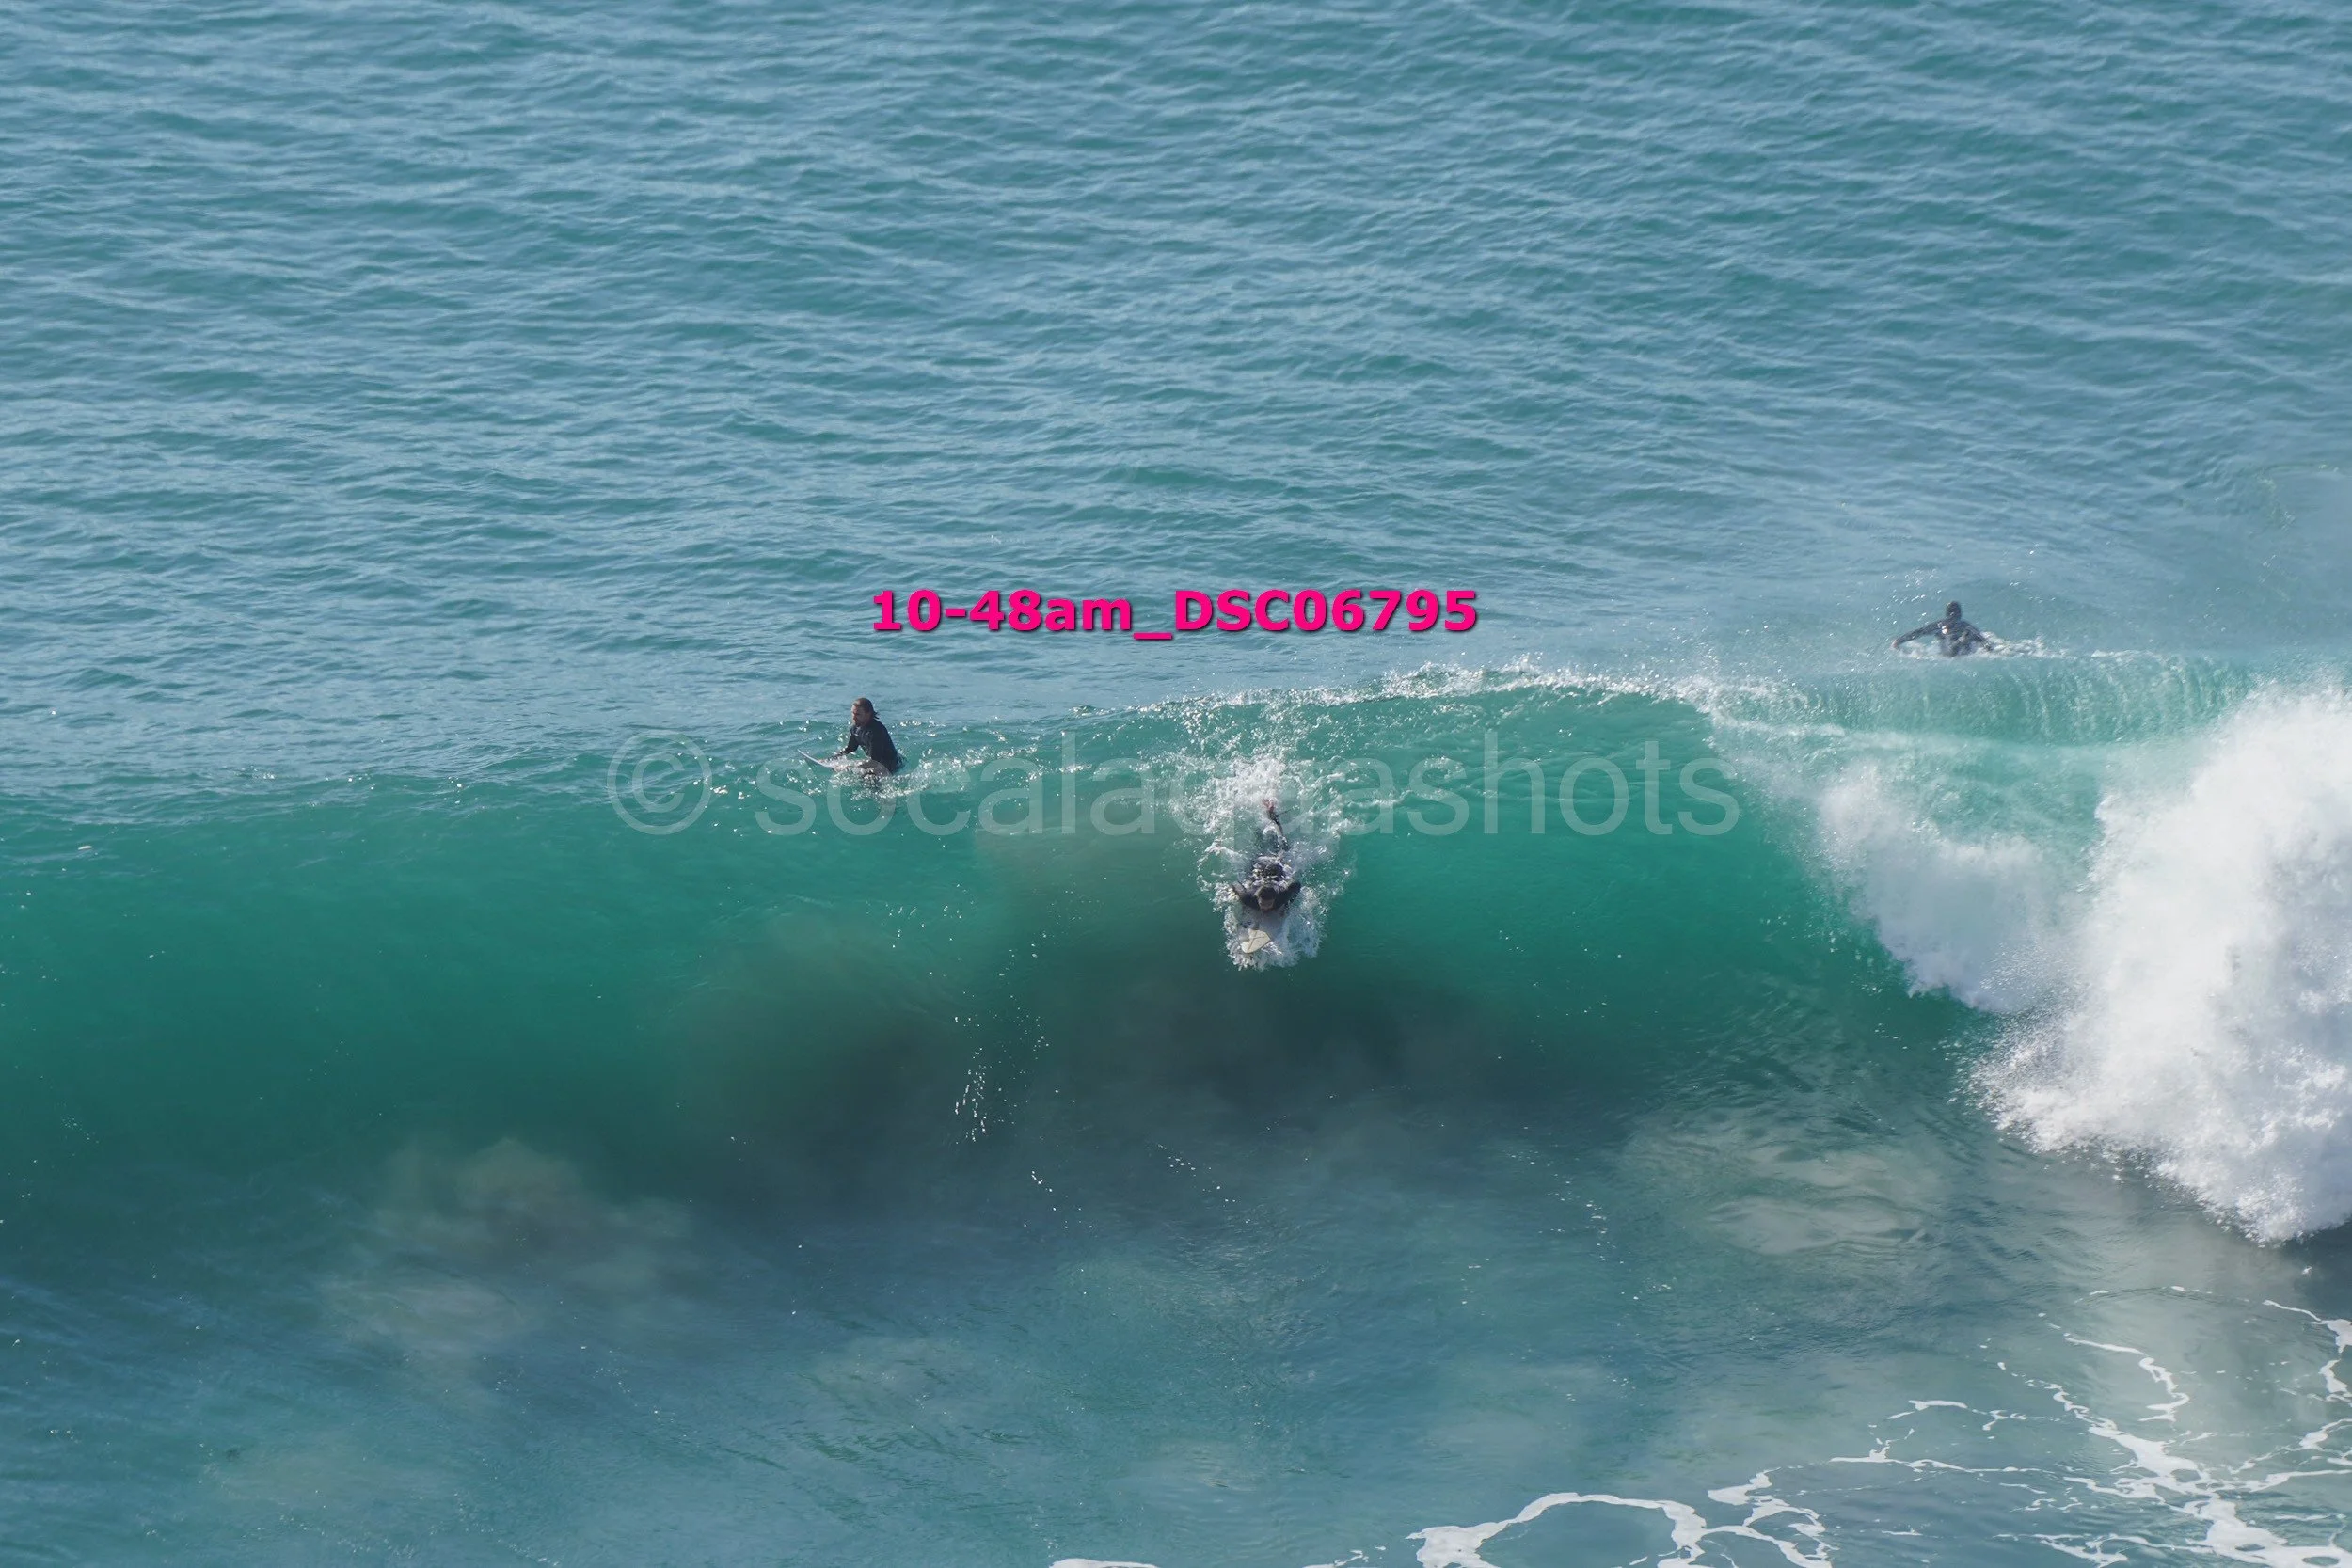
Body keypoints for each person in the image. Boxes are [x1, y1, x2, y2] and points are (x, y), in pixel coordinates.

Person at [1232, 800, 1300, 915]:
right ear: (1257, 898)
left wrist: (1288, 903)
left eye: (1269, 904)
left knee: (1281, 840)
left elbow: (1296, 885)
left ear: (1275, 899)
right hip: (1261, 866)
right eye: (1263, 904)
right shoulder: (1248, 898)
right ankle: (1262, 822)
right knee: (1270, 844)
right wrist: (1241, 902)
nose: (1265, 908)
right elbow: (1235, 884)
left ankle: (1272, 813)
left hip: (1274, 866)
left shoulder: (1282, 897)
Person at [1893, 601, 1994, 657]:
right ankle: (1962, 640)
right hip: (1966, 641)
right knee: (1972, 637)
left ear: (1946, 613)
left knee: (1950, 652)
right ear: (1960, 613)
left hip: (1949, 641)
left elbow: (1919, 632)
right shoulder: (1965, 624)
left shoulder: (1940, 624)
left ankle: (1958, 642)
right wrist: (1987, 646)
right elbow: (1981, 638)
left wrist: (1899, 640)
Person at [834, 697, 902, 775]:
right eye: (853, 713)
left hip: (891, 765)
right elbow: (850, 748)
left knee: (868, 776)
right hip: (877, 761)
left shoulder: (876, 731)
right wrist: (834, 758)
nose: (854, 717)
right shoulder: (855, 728)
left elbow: (874, 762)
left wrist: (848, 767)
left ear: (868, 714)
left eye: (858, 714)